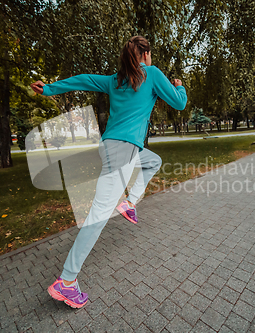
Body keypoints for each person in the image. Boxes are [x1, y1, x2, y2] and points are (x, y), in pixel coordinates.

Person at [30, 36, 187, 308]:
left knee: (152, 161)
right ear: (146, 55)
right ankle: (66, 282)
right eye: (149, 55)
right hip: (123, 151)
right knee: (98, 216)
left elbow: (84, 79)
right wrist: (181, 87)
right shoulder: (152, 74)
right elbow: (179, 103)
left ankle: (129, 203)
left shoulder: (116, 80)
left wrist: (50, 89)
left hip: (114, 146)